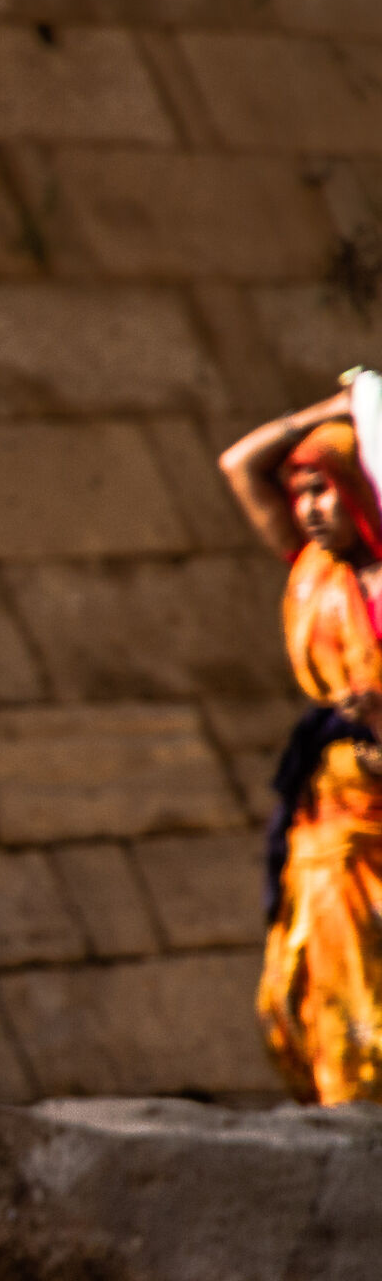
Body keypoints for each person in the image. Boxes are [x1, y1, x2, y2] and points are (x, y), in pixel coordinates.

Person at [221, 377, 382, 1103]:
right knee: (319, 993)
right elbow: (241, 465)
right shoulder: (312, 572)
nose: (313, 511)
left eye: (326, 490)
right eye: (303, 494)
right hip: (332, 817)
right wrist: (332, 412)